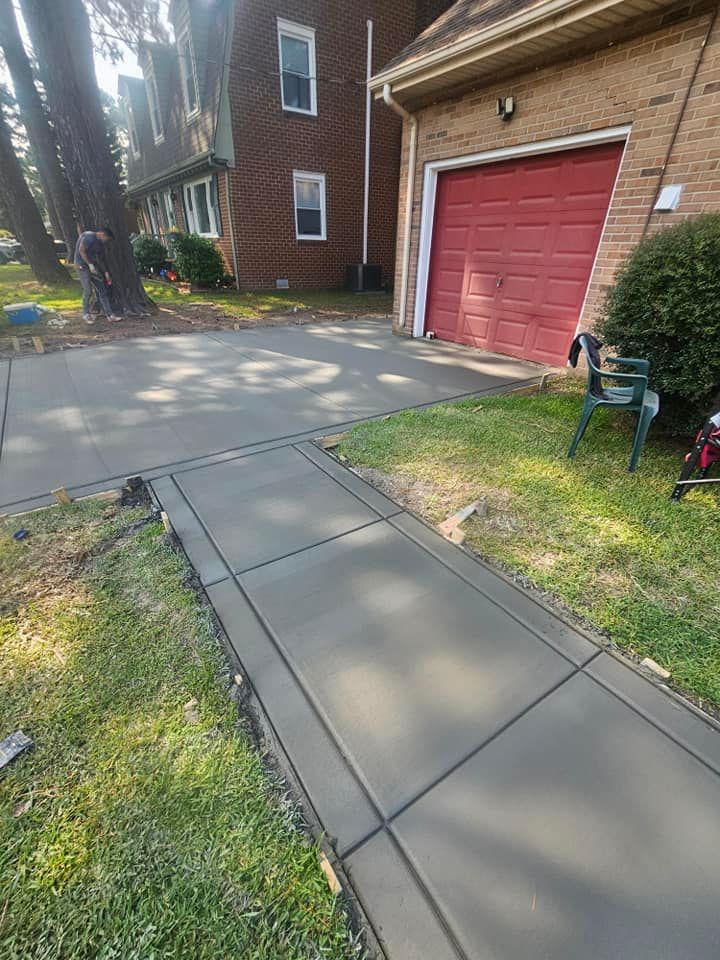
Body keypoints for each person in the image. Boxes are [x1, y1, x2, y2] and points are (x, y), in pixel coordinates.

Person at [74, 226, 122, 324]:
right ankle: (86, 314)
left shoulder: (100, 244)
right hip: (82, 266)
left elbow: (100, 259)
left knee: (102, 290)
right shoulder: (89, 236)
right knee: (88, 290)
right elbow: (81, 250)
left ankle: (110, 315)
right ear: (102, 234)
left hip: (93, 267)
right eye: (107, 239)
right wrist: (89, 265)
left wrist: (105, 272)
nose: (106, 241)